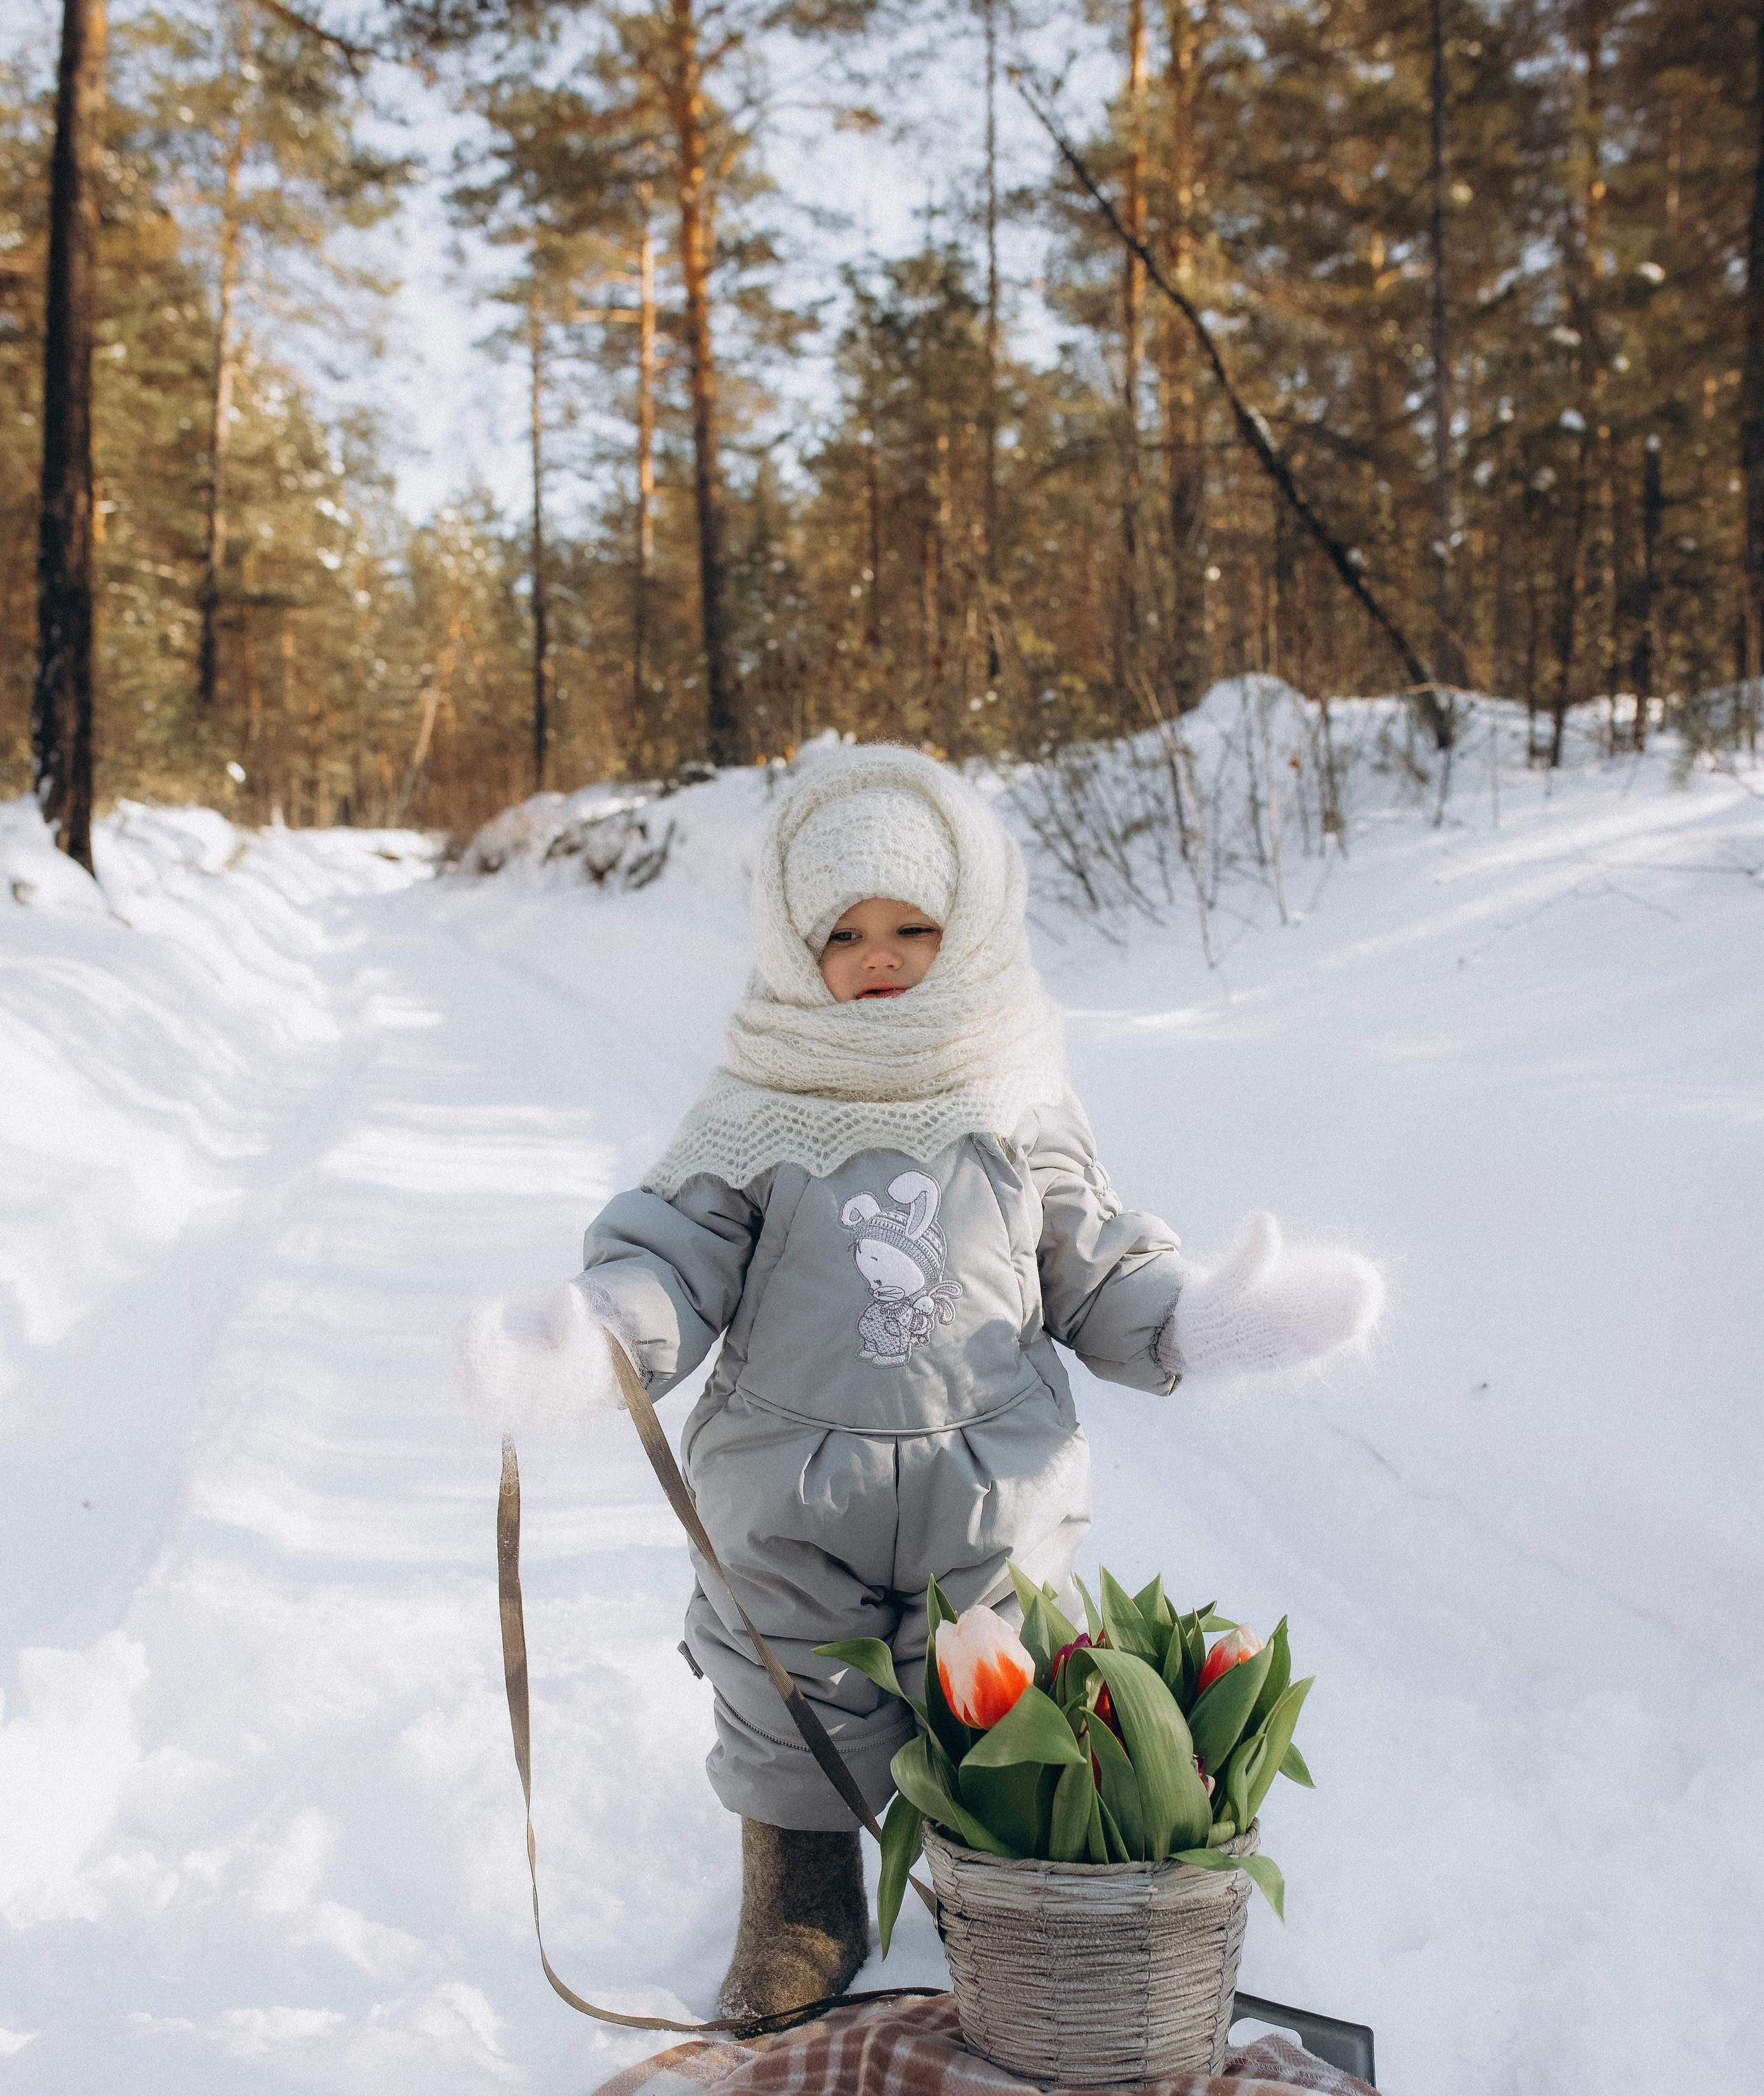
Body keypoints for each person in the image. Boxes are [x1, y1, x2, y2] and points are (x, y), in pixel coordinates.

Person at [463, 744, 1383, 2021]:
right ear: (794, 946)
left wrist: (1202, 1321)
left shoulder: (1019, 1098)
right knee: (787, 1682)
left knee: (995, 1683)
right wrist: (595, 1337)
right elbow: (674, 1256)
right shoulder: (757, 1103)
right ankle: (802, 1899)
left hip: (993, 1481)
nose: (878, 957)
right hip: (786, 1482)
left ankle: (999, 1892)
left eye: (912, 927)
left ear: (974, 928)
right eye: (842, 934)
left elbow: (1094, 1263)